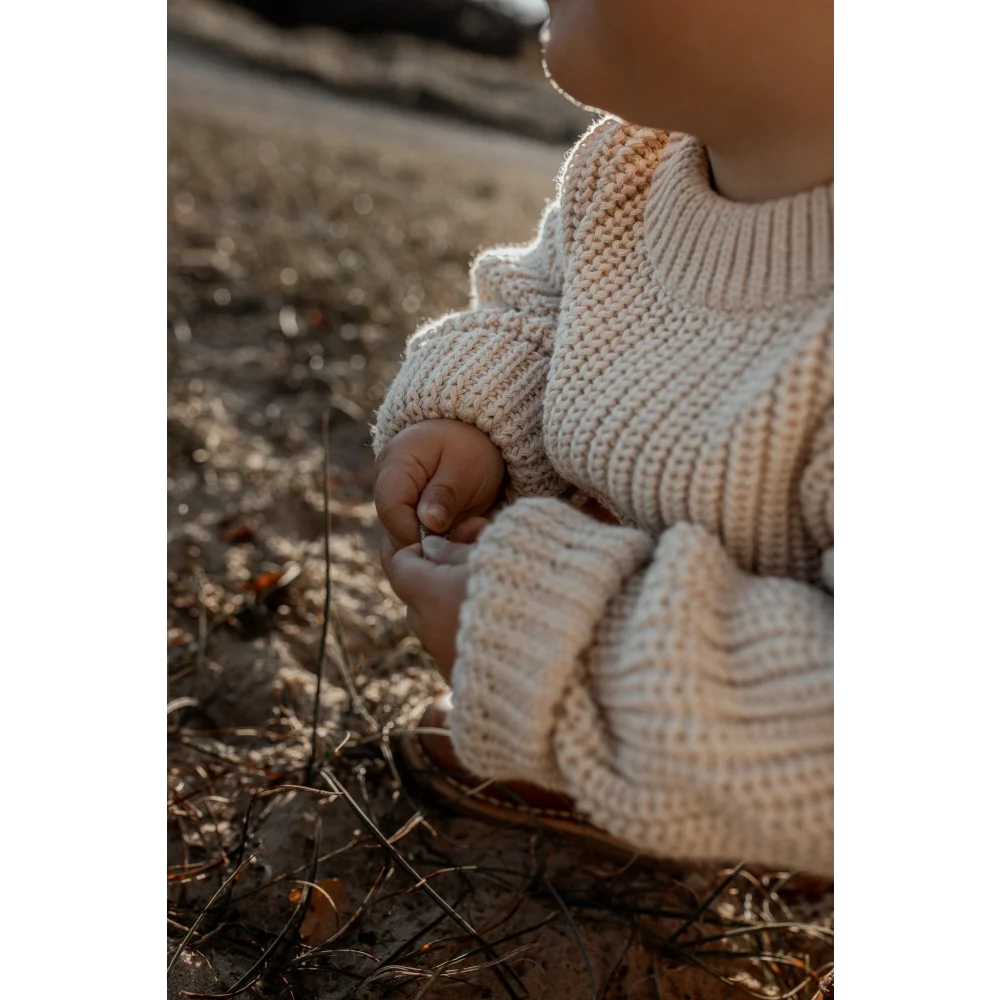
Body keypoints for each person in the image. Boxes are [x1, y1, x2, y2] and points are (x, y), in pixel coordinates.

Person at [372, 0, 837, 878]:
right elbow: (543, 310)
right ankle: (623, 771)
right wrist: (475, 419)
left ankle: (667, 763)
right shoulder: (628, 164)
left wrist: (562, 652)